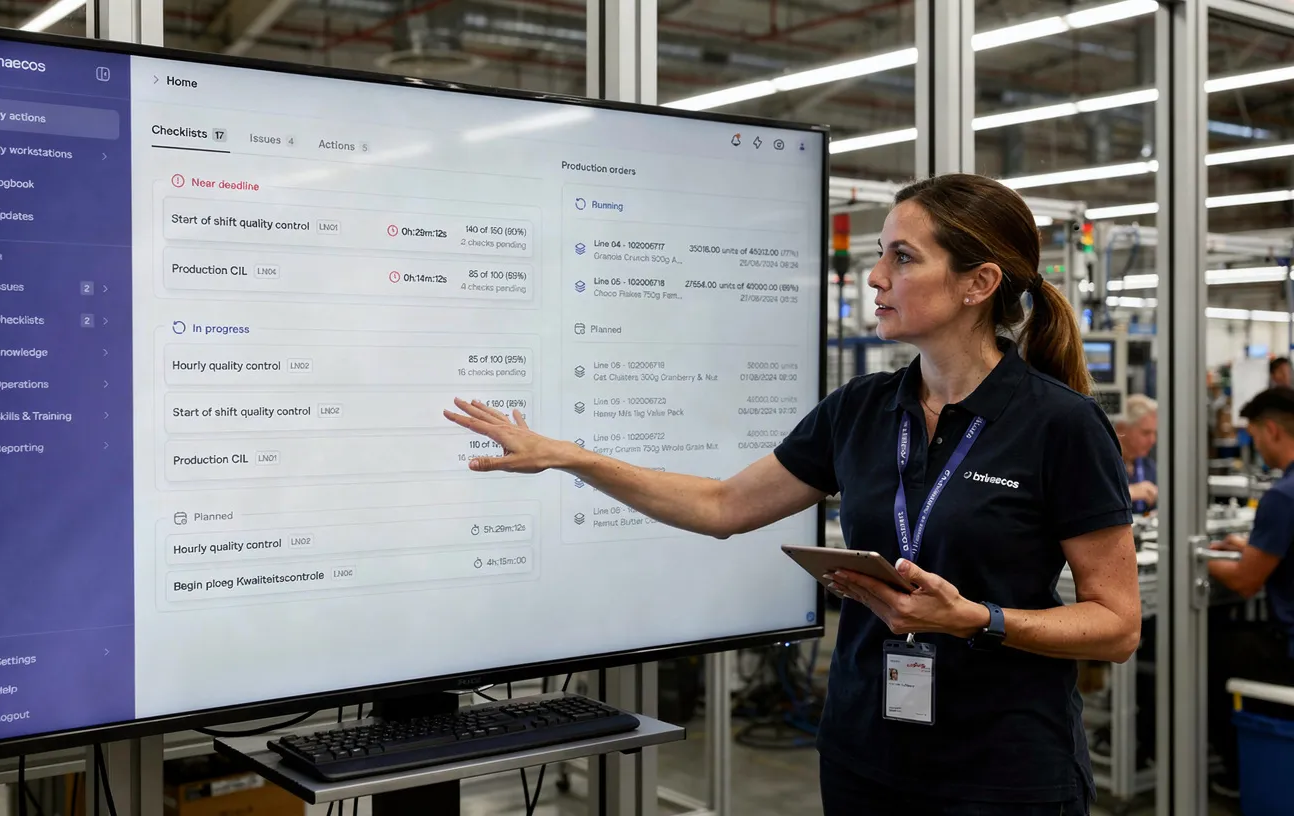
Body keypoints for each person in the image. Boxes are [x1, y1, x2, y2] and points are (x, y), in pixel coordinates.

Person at [446, 173, 1141, 814]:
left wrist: (977, 619)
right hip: (866, 752)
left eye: (903, 257)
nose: (875, 277)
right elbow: (722, 506)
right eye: (880, 254)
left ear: (978, 282)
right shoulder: (861, 410)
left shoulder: (1060, 425)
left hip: (1004, 769)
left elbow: (1116, 626)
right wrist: (571, 457)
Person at [1205, 386, 1294, 796]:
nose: (1253, 444)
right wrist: (1249, 548)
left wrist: (1194, 557)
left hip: (1287, 650)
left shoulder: (1282, 497)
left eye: (1254, 435)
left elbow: (1244, 582)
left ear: (1272, 430)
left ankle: (1235, 773)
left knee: (1201, 651)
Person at [1115, 394, 1158, 512]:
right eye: (1145, 433)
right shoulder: (1104, 465)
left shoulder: (1148, 467)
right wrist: (1130, 492)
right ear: (1121, 428)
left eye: (1155, 433)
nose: (1152, 440)